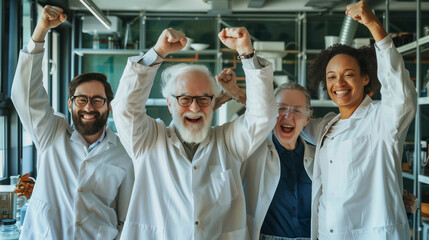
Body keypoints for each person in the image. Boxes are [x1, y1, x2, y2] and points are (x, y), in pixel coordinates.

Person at [111, 26, 277, 239]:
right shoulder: (147, 141)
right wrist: (158, 51)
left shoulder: (228, 142)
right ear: (170, 104)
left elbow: (263, 116)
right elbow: (125, 109)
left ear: (213, 102)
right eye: (185, 99)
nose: (195, 108)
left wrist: (246, 53)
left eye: (203, 99)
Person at [11, 6, 134, 240]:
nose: (89, 107)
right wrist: (40, 32)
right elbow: (25, 96)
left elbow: (125, 217)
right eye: (81, 100)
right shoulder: (52, 133)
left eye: (98, 100)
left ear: (109, 105)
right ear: (70, 105)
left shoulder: (123, 153)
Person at [301, 1, 417, 239]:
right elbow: (288, 118)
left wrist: (374, 25)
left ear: (366, 78)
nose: (339, 84)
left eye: (349, 75)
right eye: (331, 77)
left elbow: (402, 94)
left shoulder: (382, 119)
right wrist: (241, 95)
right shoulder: (326, 126)